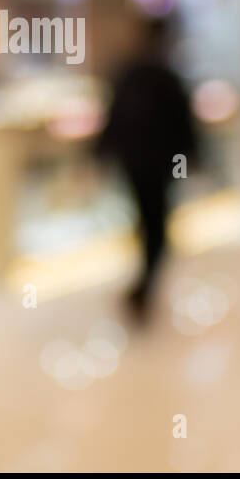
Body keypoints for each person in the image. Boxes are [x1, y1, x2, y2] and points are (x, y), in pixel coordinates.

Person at [95, 18, 199, 322]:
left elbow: (111, 119)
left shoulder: (130, 74)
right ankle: (141, 290)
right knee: (157, 229)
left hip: (137, 166)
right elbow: (184, 126)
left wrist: (101, 155)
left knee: (149, 225)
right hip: (159, 168)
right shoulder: (166, 77)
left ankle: (141, 289)